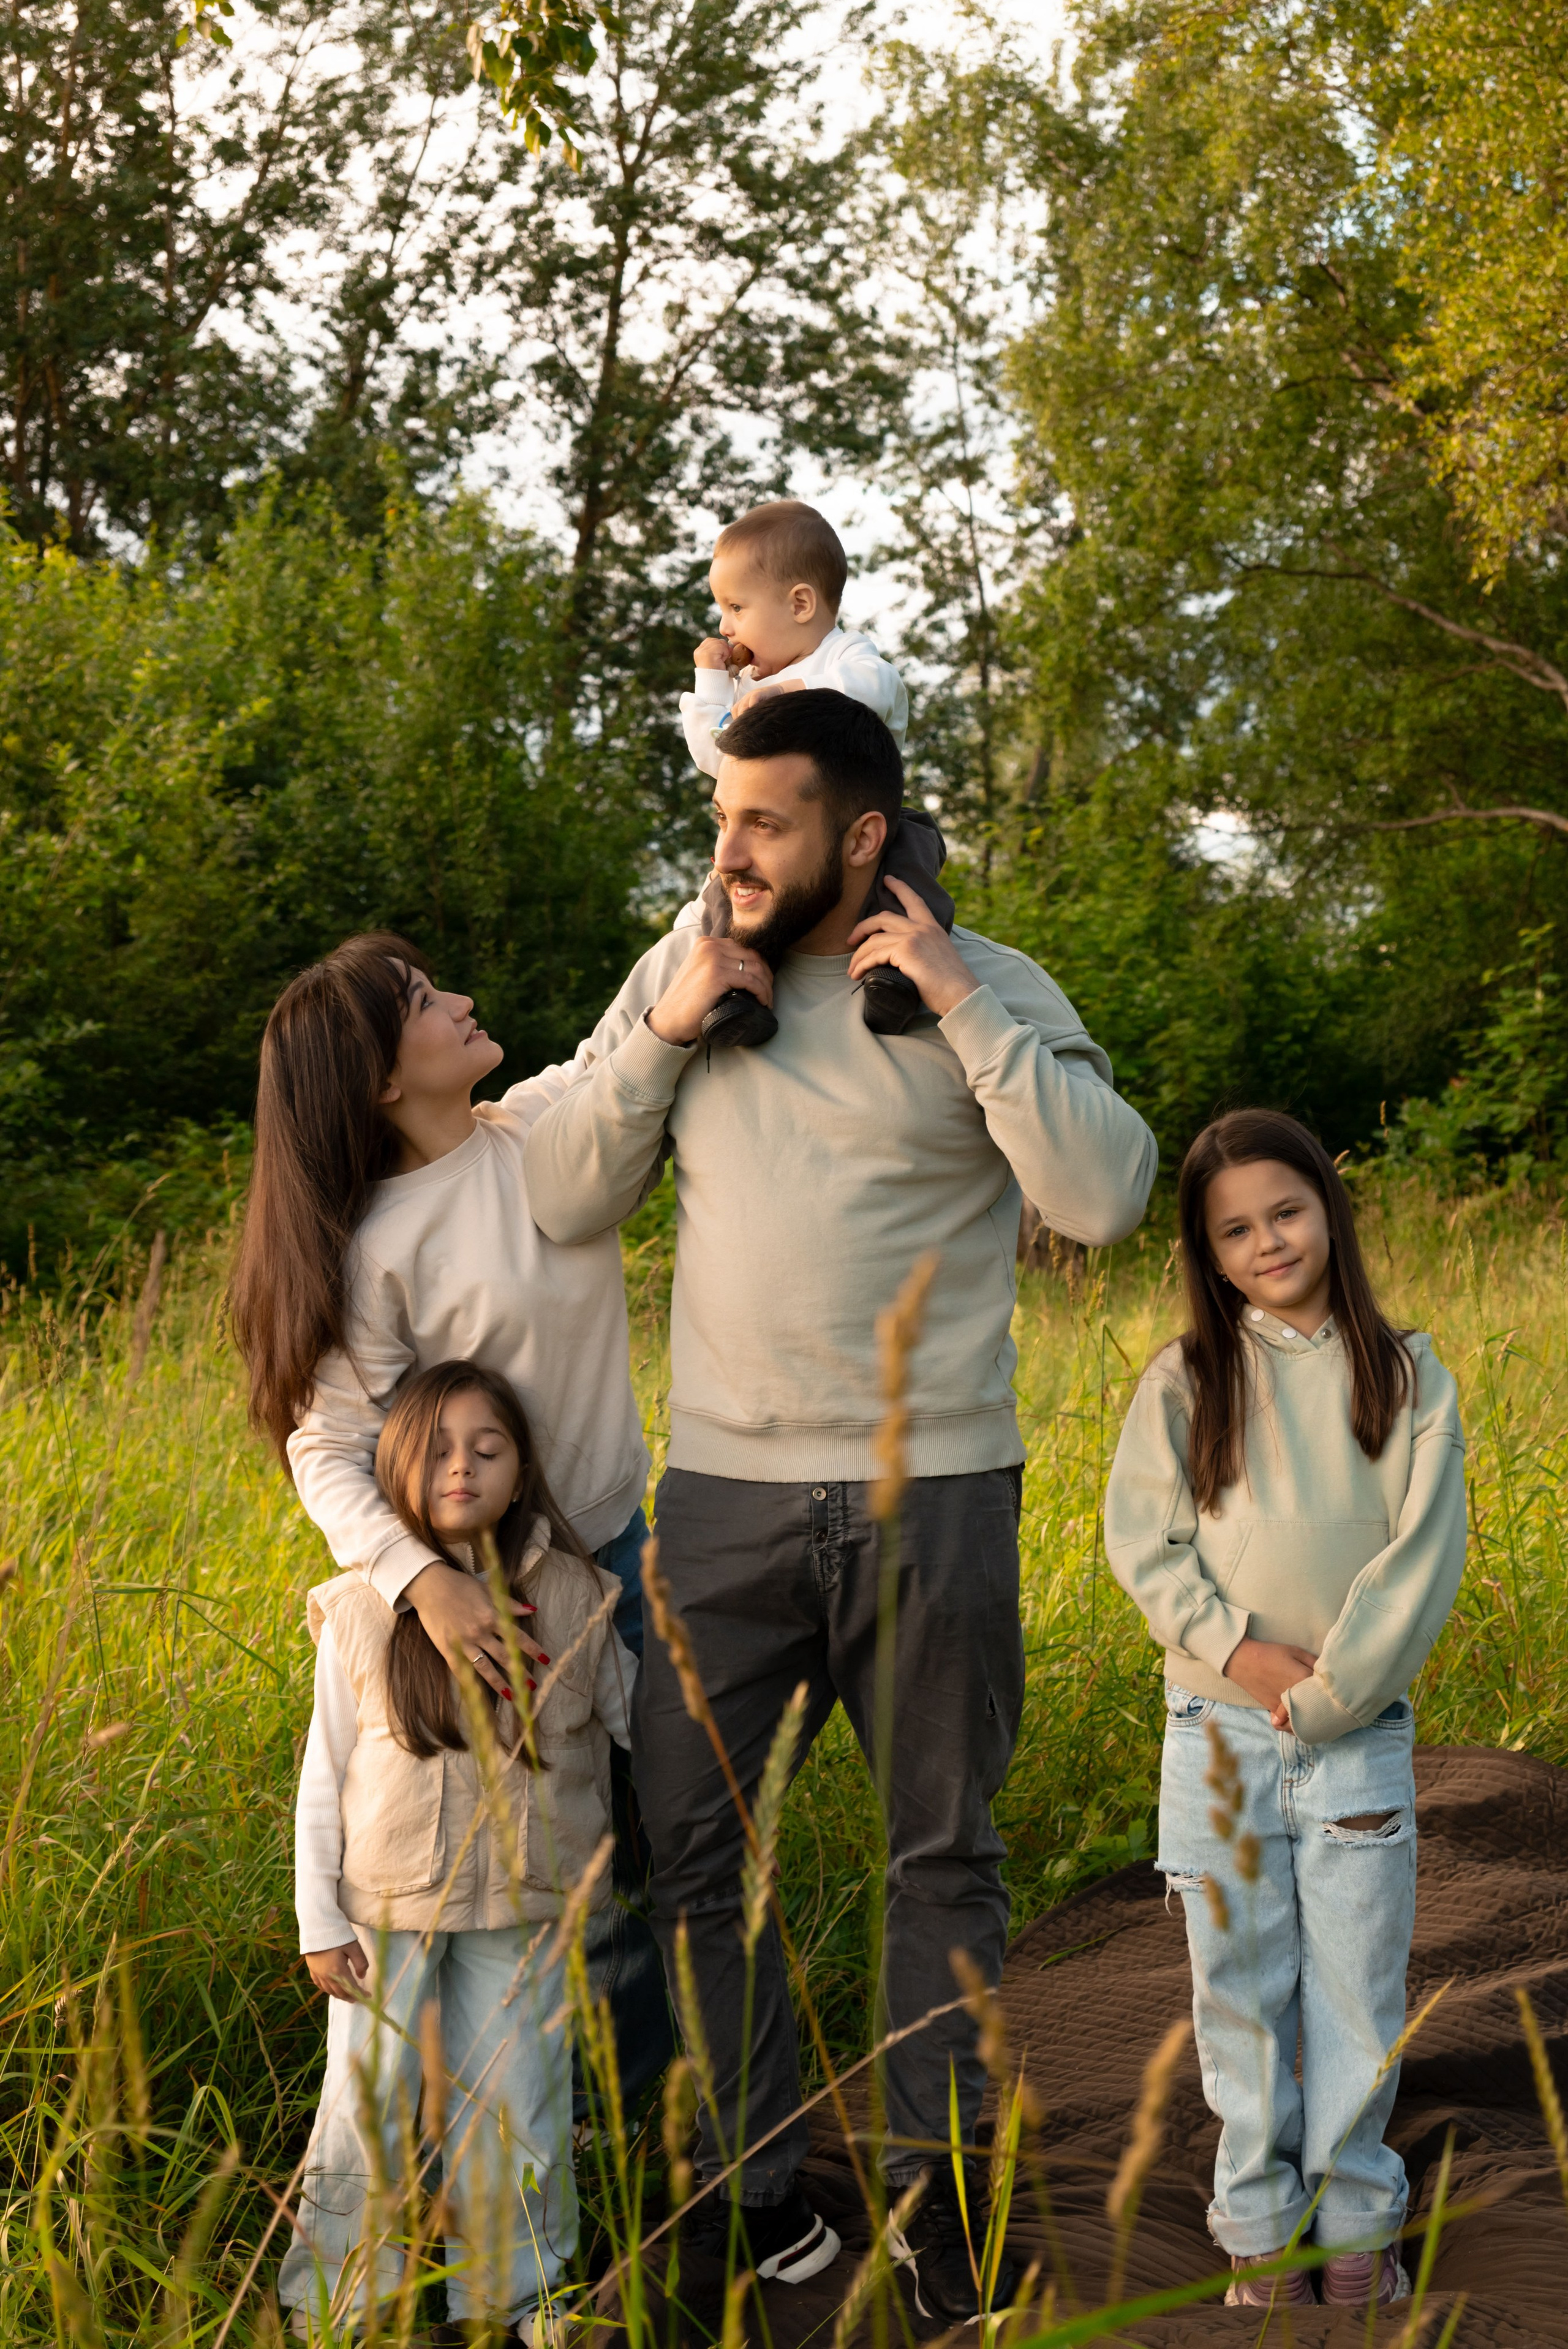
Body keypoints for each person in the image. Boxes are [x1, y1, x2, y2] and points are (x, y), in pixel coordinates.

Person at [523, 689, 1158, 2328]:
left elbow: (1099, 1190)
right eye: (722, 818)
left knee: (941, 1855)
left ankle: (931, 2197)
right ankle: (754, 2192)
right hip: (722, 1503)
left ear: (862, 835)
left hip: (934, 1490)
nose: (728, 853)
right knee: (692, 1863)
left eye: (765, 824)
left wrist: (956, 1000)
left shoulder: (987, 983)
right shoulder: (684, 967)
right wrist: (665, 1031)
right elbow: (564, 1192)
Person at [228, 933, 673, 2119]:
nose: (463, 1000)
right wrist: (426, 1584)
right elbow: (322, 1446)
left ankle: (670, 2141)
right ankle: (527, 2157)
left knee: (662, 1861)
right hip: (492, 1596)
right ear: (380, 1080)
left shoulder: (532, 1127)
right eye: (426, 1002)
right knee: (550, 1874)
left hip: (620, 1559)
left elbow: (630, 1026)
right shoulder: (377, 1241)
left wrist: (729, 859)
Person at [1104, 1110, 1467, 2314]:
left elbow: (1420, 1561)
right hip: (1213, 1734)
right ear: (1207, 1254)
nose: (1267, 1240)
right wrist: (1241, 1655)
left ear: (1327, 1208)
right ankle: (1257, 2223)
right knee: (1239, 1986)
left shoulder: (1404, 1373)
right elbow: (1142, 1544)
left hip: (1354, 1736)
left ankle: (1356, 2217)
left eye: (1285, 1212)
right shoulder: (1186, 1378)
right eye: (1234, 1229)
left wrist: (1320, 1695)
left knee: (1355, 1990)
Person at [282, 1360, 636, 2342]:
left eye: (488, 1448)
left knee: (524, 2099)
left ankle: (521, 2299)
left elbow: (638, 1720)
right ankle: (339, 2306)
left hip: (527, 1903)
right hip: (384, 1915)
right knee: (369, 2103)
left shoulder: (576, 1596)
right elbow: (324, 1777)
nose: (462, 1467)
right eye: (437, 1449)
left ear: (522, 1473)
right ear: (397, 1467)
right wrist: (320, 1920)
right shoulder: (361, 1607)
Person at [676, 499, 951, 1041]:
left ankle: (894, 977)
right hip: (786, 850)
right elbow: (716, 757)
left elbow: (879, 690)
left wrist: (789, 693)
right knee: (718, 899)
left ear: (800, 602)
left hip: (870, 826)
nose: (726, 626)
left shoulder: (845, 656)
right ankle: (734, 995)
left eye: (736, 607)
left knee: (910, 871)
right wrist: (710, 683)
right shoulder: (746, 687)